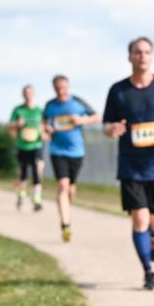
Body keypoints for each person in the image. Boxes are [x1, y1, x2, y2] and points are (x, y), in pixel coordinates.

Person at [103, 37, 154, 291]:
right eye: (137, 52)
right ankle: (148, 272)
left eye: (147, 52)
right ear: (130, 57)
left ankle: (153, 237)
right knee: (140, 218)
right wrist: (112, 129)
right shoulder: (118, 90)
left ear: (152, 56)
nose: (142, 56)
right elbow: (106, 125)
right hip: (131, 166)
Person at [43, 75, 100, 241]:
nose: (61, 90)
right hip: (57, 151)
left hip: (76, 152)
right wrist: (46, 128)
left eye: (64, 87)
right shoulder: (50, 105)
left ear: (68, 87)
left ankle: (67, 208)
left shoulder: (78, 102)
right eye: (58, 88)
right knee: (63, 185)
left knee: (71, 189)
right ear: (54, 88)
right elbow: (44, 123)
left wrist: (82, 120)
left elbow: (97, 116)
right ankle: (65, 224)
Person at [6, 85, 46, 212]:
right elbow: (8, 127)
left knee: (37, 169)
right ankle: (21, 195)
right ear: (23, 95)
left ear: (33, 94)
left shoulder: (39, 111)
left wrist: (44, 132)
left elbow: (45, 127)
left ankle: (37, 198)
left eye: (30, 93)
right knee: (22, 174)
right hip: (22, 146)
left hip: (36, 145)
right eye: (25, 93)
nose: (28, 95)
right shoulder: (18, 110)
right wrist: (17, 124)